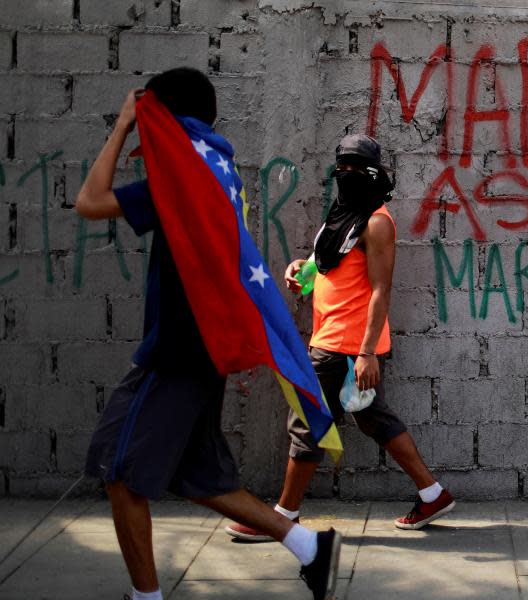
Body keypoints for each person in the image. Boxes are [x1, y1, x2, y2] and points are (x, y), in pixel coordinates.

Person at [77, 68, 340, 600]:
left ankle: (146, 597)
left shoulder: (179, 181)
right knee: (201, 476)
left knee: (120, 471)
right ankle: (310, 548)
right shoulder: (217, 166)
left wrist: (125, 126)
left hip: (175, 352)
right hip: (207, 346)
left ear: (164, 118)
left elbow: (90, 200)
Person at [225, 134, 455, 541]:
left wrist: (367, 353)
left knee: (307, 422)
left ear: (373, 173)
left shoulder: (376, 222)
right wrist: (301, 270)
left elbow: (382, 289)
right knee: (374, 420)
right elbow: (325, 265)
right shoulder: (341, 215)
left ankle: (284, 516)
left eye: (355, 168)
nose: (346, 175)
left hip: (344, 347)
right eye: (341, 168)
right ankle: (432, 493)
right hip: (332, 338)